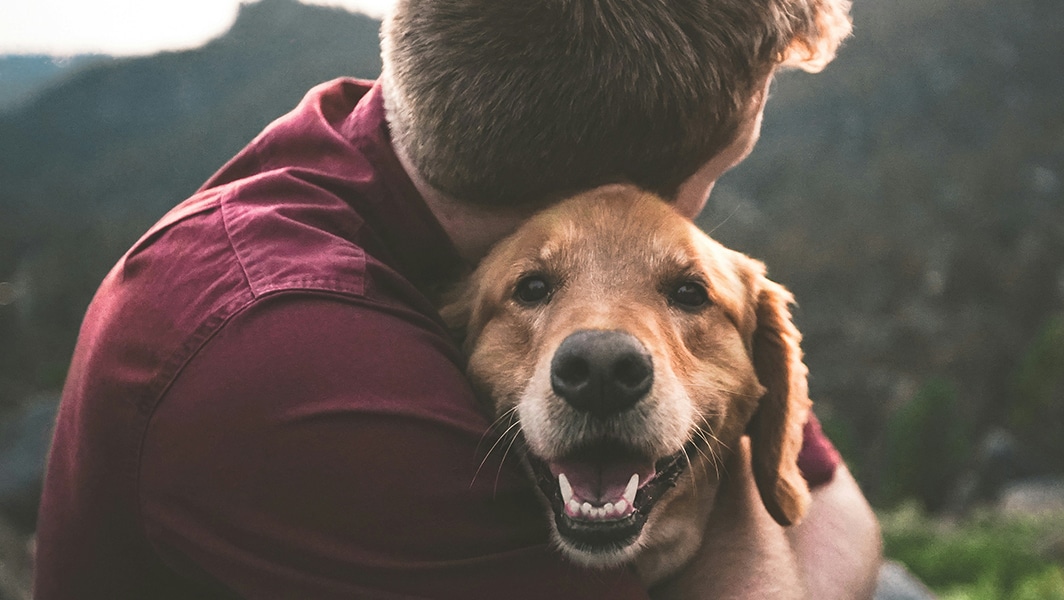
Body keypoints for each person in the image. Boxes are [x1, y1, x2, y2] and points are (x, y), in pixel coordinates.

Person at [35, 0, 880, 597]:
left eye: (684, 281)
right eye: (721, 169)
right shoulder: (289, 362)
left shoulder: (402, 151)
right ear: (616, 188)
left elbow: (837, 511)